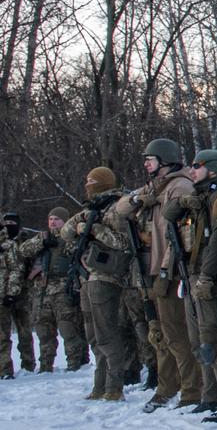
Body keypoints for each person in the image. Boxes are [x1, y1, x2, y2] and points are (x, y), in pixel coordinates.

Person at [118, 138, 204, 412]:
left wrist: (167, 271)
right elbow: (119, 210)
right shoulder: (154, 188)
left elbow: (179, 235)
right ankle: (167, 386)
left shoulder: (180, 187)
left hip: (171, 272)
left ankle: (191, 389)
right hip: (152, 271)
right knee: (161, 335)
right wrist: (137, 199)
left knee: (178, 335)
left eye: (150, 159)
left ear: (165, 161)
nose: (146, 164)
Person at [168, 148, 217, 423]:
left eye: (197, 166)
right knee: (198, 340)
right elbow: (168, 213)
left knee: (215, 341)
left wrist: (208, 276)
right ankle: (209, 397)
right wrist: (188, 201)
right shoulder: (198, 197)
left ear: (211, 168)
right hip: (193, 274)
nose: (191, 170)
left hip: (212, 277)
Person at [60, 167, 132, 401]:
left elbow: (124, 243)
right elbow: (65, 232)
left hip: (106, 277)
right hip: (86, 277)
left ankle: (114, 387)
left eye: (91, 182)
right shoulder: (91, 210)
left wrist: (96, 230)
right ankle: (99, 385)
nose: (87, 186)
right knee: (93, 335)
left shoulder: (117, 208)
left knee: (107, 334)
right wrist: (83, 221)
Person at [18, 207, 87, 373]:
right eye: (50, 219)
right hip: (42, 292)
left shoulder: (71, 238)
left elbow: (78, 253)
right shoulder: (42, 238)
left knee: (68, 329)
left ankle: (75, 364)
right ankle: (45, 366)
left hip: (64, 290)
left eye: (57, 219)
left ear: (65, 221)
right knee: (44, 332)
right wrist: (41, 241)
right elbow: (23, 250)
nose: (53, 222)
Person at [3, 212, 37, 375]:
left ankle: (28, 365)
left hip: (23, 292)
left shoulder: (26, 240)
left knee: (24, 332)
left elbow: (23, 266)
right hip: (3, 293)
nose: (10, 225)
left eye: (13, 222)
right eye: (6, 222)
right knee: (3, 334)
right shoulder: (3, 241)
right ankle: (5, 368)